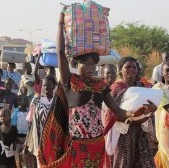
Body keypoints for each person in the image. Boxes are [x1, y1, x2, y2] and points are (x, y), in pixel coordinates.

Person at [38, 12, 155, 168]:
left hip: (97, 143)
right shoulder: (69, 81)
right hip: (77, 144)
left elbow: (119, 112)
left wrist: (140, 111)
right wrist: (61, 25)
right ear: (76, 64)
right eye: (85, 63)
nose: (90, 67)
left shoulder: (100, 85)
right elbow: (60, 52)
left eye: (93, 64)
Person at [107, 57, 156, 167]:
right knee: (124, 162)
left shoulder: (141, 86)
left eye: (134, 67)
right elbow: (111, 113)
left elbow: (149, 106)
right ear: (120, 70)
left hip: (141, 131)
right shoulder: (116, 88)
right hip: (123, 133)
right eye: (127, 67)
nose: (132, 69)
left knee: (145, 162)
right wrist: (131, 117)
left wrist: (152, 109)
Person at [11, 95, 30, 168]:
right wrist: (15, 138)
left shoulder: (29, 112)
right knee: (19, 155)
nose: (25, 102)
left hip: (27, 137)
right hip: (18, 137)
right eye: (23, 101)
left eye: (27, 101)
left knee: (27, 154)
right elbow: (13, 126)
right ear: (19, 102)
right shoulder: (15, 113)